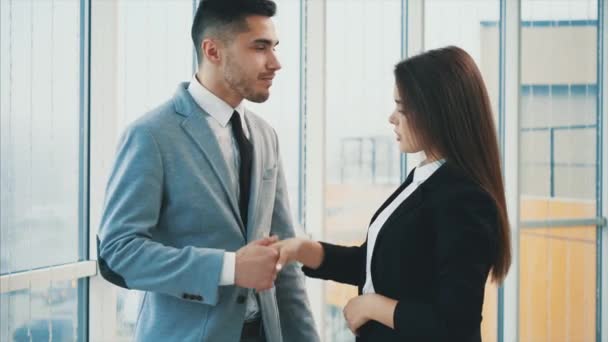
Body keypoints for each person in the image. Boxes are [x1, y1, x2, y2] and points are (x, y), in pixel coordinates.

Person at [96, 1, 318, 341]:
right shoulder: (151, 136)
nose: (275, 62)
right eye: (260, 47)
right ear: (212, 50)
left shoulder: (264, 135)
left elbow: (284, 261)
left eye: (274, 47)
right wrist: (229, 268)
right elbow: (118, 253)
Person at [272, 46, 512, 341]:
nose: (392, 118)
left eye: (401, 107)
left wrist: (372, 306)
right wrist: (304, 251)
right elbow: (382, 265)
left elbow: (454, 324)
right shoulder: (425, 176)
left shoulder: (465, 199)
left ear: (436, 111)